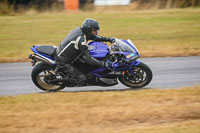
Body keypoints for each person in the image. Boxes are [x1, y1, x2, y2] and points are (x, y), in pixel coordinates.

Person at [55, 18, 115, 86]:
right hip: (63, 61)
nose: (95, 33)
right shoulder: (81, 40)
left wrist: (109, 39)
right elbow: (88, 59)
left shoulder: (80, 30)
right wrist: (103, 64)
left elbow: (95, 37)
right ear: (88, 30)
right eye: (94, 31)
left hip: (69, 55)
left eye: (96, 30)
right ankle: (62, 82)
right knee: (82, 79)